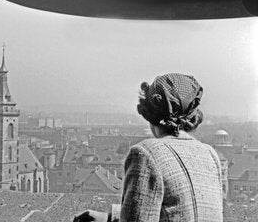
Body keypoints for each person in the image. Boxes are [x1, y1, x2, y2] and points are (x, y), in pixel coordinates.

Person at [73, 73, 223, 222]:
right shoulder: (210, 154)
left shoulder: (146, 154)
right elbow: (183, 210)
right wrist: (112, 217)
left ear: (149, 115)